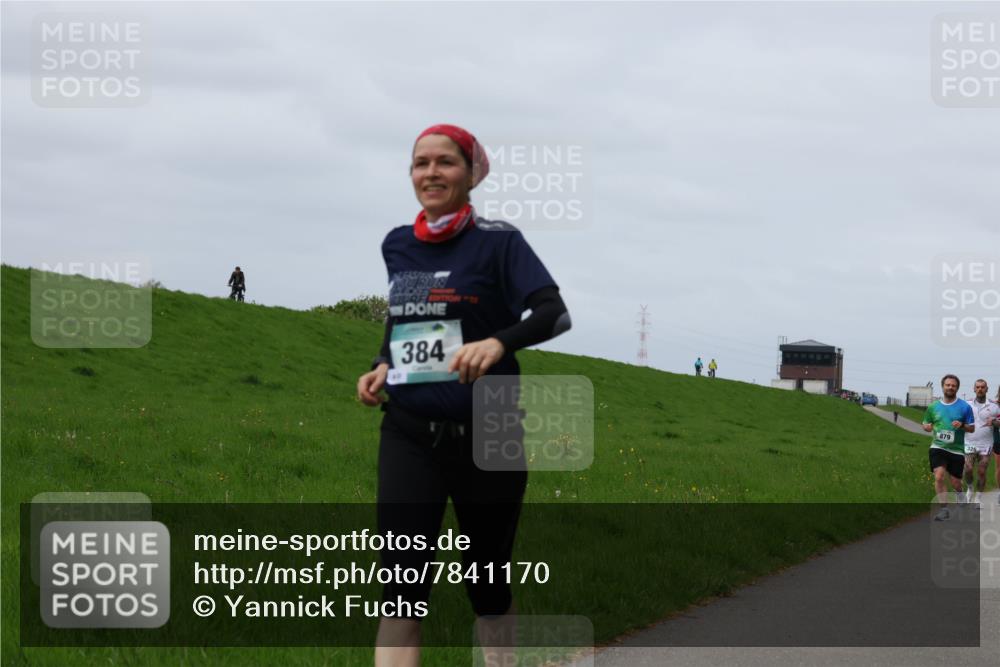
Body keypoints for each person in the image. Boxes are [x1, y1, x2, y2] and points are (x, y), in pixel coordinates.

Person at [355, 124, 571, 667]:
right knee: (401, 593)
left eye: (445, 162)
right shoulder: (397, 244)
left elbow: (553, 313)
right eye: (420, 163)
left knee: (488, 587)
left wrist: (499, 342)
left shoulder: (499, 242)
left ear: (472, 173)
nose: (431, 173)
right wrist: (382, 365)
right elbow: (407, 319)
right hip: (409, 432)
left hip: (490, 433)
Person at [922, 374, 975, 521]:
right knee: (939, 476)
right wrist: (926, 427)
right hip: (937, 447)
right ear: (943, 386)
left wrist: (962, 425)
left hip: (956, 450)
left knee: (955, 482)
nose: (950, 387)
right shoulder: (933, 407)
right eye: (948, 385)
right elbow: (926, 423)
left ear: (957, 388)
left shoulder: (965, 407)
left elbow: (972, 428)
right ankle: (944, 510)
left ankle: (960, 494)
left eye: (953, 385)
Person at [963, 379, 1000, 506]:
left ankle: (978, 498)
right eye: (977, 387)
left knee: (982, 471)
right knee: (967, 469)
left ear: (987, 389)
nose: (980, 389)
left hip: (986, 444)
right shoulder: (966, 404)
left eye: (982, 387)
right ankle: (970, 488)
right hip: (969, 442)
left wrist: (994, 422)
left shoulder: (994, 406)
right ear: (974, 389)